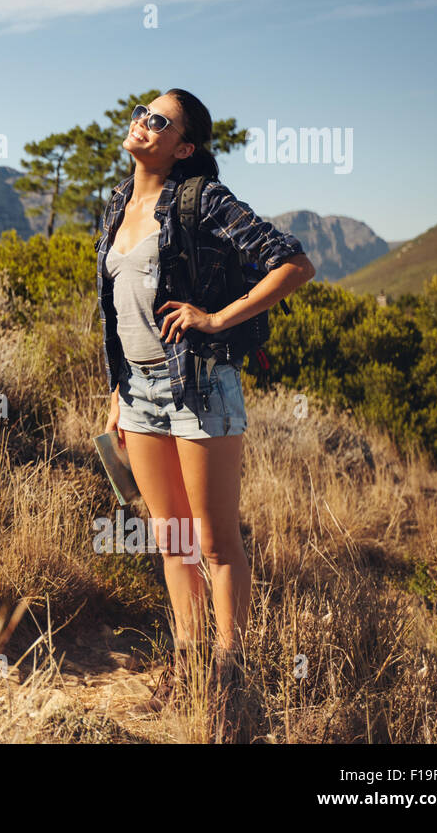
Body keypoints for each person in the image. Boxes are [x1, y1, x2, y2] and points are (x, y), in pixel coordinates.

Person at [96, 89, 315, 735]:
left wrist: (215, 318)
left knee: (216, 542)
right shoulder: (116, 206)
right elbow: (119, 311)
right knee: (174, 541)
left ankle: (230, 676)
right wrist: (117, 388)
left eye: (159, 120)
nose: (143, 121)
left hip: (201, 386)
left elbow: (294, 263)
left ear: (184, 146)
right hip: (137, 394)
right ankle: (190, 669)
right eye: (142, 111)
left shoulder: (202, 199)